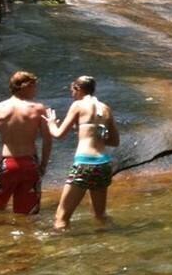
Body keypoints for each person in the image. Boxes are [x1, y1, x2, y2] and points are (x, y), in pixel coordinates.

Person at [45, 76, 119, 230]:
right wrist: (91, 133)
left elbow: (59, 134)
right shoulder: (105, 108)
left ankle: (60, 250)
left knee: (61, 217)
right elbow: (114, 141)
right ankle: (112, 238)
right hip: (103, 164)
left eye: (72, 91)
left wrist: (51, 123)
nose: (72, 94)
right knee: (100, 215)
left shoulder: (78, 105)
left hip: (85, 163)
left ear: (78, 89)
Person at [0, 71, 52, 223]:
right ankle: (25, 243)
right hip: (30, 165)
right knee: (27, 215)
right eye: (34, 87)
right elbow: (47, 139)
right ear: (27, 86)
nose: (36, 90)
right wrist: (43, 165)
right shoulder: (38, 108)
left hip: (8, 163)